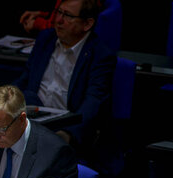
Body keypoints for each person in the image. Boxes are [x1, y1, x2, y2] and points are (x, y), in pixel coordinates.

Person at [13, 0, 116, 155]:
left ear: (87, 24)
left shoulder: (100, 55)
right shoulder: (45, 39)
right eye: (59, 13)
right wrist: (2, 99)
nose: (59, 20)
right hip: (32, 118)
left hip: (65, 126)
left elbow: (93, 103)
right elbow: (25, 79)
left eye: (67, 16)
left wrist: (67, 135)